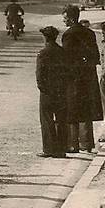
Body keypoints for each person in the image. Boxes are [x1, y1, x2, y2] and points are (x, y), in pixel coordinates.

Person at [61, 5, 103, 154]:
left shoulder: (69, 35)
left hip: (73, 77)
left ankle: (73, 144)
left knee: (72, 108)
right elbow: (96, 56)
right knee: (86, 107)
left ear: (71, 18)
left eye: (65, 18)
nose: (63, 21)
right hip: (88, 75)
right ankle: (87, 143)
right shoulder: (89, 33)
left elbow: (66, 58)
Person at [35, 26, 68, 158]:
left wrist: (42, 88)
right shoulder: (62, 52)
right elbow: (68, 71)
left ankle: (49, 148)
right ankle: (61, 149)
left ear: (45, 38)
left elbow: (39, 73)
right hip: (61, 90)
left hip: (48, 91)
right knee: (61, 120)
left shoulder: (43, 53)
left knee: (47, 119)